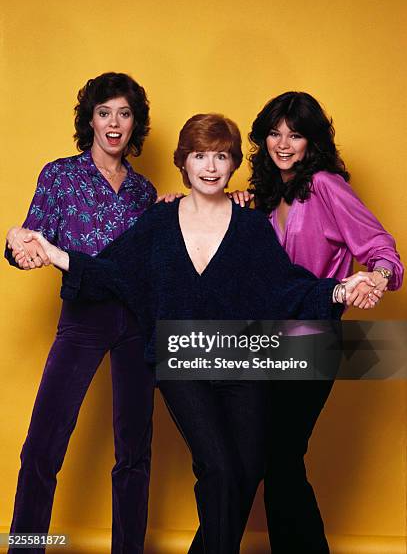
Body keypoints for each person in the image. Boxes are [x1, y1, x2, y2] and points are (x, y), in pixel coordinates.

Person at [17, 113, 380, 554]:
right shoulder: (158, 221)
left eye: (221, 157)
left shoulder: (250, 226)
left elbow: (287, 287)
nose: (210, 167)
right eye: (200, 156)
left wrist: (343, 288)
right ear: (184, 163)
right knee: (219, 468)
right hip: (182, 358)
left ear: (232, 165)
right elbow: (112, 271)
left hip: (241, 359)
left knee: (248, 469)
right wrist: (53, 251)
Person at [232, 91, 404, 553]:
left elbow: (381, 247)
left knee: (281, 457)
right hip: (262, 340)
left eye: (295, 134)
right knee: (268, 459)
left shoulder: (326, 186)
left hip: (312, 337)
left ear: (312, 141)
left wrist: (376, 276)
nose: (283, 144)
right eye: (275, 133)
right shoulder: (264, 194)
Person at [5, 72, 157, 554]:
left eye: (125, 113)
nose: (115, 123)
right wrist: (16, 245)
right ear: (89, 119)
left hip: (136, 322)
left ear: (136, 124)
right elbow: (32, 238)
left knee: (134, 450)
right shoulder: (59, 175)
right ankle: (28, 547)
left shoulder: (143, 192)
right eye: (105, 112)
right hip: (83, 319)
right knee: (43, 446)